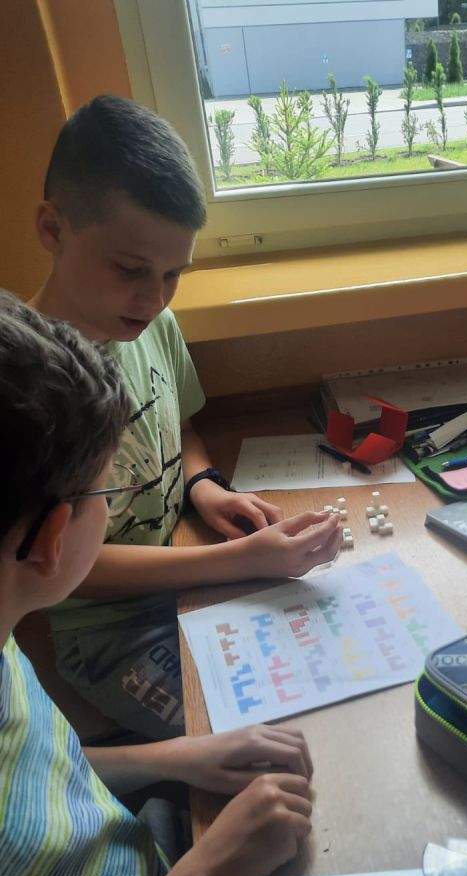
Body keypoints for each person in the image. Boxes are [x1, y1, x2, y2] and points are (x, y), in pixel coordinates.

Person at [0, 291, 315, 876]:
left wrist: (181, 756)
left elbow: (39, 783)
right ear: (55, 537)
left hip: (141, 867)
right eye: (109, 496)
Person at [28, 95, 342, 741]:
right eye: (130, 269)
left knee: (333, 689)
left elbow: (184, 428)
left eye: (174, 273)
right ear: (53, 229)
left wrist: (204, 487)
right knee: (274, 738)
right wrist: (243, 561)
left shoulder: (154, 325)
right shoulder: (27, 382)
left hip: (193, 562)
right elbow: (63, 568)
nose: (153, 297)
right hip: (111, 631)